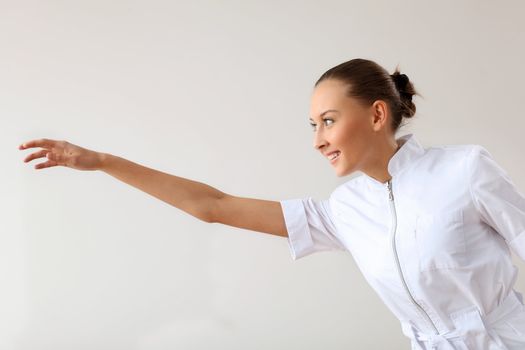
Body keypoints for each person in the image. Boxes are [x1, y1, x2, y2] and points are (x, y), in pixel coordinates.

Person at [19, 58, 525, 349]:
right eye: (313, 126)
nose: (318, 140)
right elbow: (213, 205)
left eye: (328, 121)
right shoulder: (346, 210)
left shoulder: (465, 170)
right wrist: (104, 161)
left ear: (376, 114)